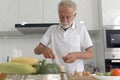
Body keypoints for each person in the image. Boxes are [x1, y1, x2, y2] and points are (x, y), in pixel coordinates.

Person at [34, 0, 94, 73]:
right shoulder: (52, 29)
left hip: (76, 75)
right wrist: (43, 50)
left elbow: (91, 54)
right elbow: (36, 50)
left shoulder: (81, 29)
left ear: (74, 15)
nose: (64, 20)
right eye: (61, 17)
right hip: (57, 74)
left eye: (68, 17)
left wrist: (77, 55)